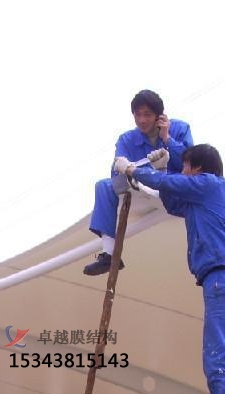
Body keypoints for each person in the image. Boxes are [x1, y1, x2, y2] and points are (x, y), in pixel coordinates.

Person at [119, 144, 225, 394]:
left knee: (218, 355)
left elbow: (170, 183)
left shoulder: (211, 184)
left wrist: (133, 170)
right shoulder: (205, 198)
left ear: (199, 168)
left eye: (187, 166)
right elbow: (172, 201)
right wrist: (161, 170)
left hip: (221, 278)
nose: (184, 171)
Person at [83, 89, 194, 276]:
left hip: (171, 187)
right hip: (139, 187)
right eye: (138, 114)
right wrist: (129, 170)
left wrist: (167, 138)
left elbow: (190, 165)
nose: (142, 120)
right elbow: (116, 170)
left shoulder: (179, 129)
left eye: (148, 115)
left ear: (159, 116)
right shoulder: (127, 139)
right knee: (103, 185)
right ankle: (109, 255)